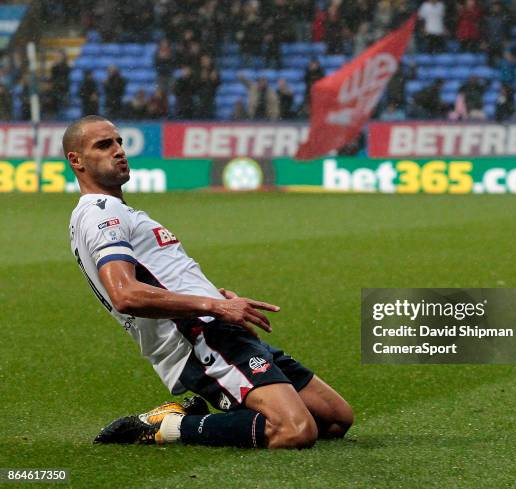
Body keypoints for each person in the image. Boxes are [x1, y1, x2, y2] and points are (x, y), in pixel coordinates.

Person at [65, 116, 352, 449]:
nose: (118, 151)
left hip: (218, 324)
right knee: (294, 430)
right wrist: (215, 305)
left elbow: (163, 275)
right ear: (76, 160)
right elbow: (125, 294)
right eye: (104, 145)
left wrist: (212, 296)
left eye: (119, 142)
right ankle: (170, 427)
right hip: (200, 339)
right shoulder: (99, 212)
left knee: (334, 418)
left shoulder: (117, 211)